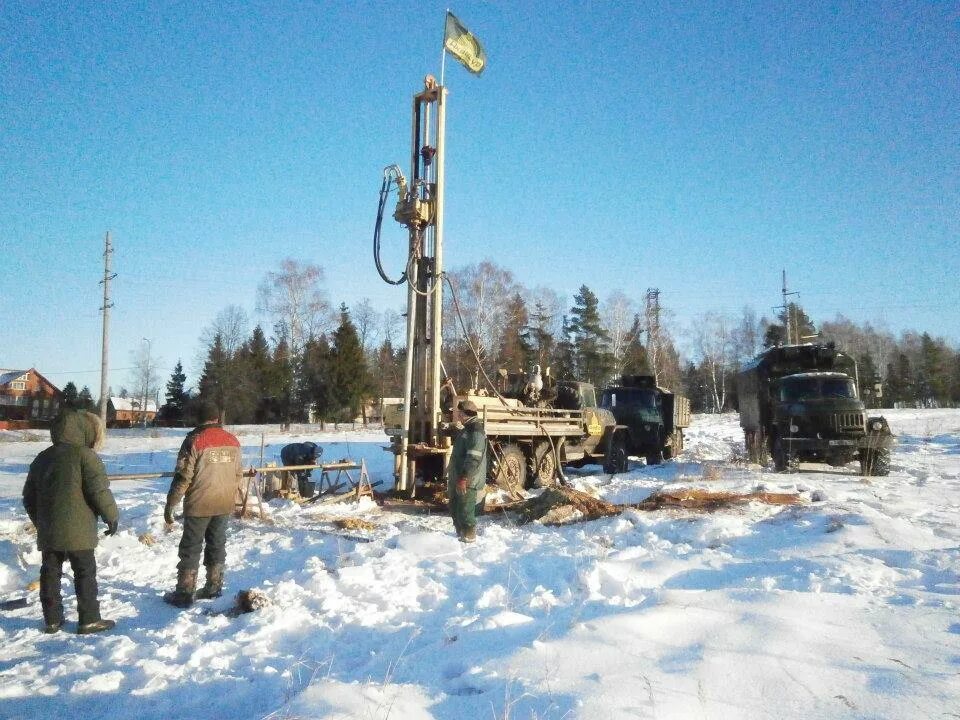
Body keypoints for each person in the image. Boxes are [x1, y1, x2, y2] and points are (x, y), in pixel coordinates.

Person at [23, 409, 119, 635]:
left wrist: (41, 521)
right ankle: (89, 619)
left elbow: (28, 497)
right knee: (84, 572)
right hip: (80, 531)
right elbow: (99, 491)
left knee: (50, 573)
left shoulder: (42, 458)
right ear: (85, 430)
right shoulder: (86, 456)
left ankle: (52, 620)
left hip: (49, 531)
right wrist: (111, 516)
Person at [163, 402, 243, 608]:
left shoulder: (194, 440)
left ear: (198, 419)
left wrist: (171, 503)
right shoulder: (232, 440)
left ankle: (185, 592)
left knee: (191, 547)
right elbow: (238, 473)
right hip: (224, 502)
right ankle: (214, 587)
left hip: (199, 503)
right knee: (217, 544)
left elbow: (183, 476)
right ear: (217, 419)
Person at [446, 399, 488, 543]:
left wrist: (464, 478)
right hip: (460, 475)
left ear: (466, 414)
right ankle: (460, 534)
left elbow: (473, 458)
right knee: (455, 506)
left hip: (469, 478)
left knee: (465, 509)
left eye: (459, 413)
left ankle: (469, 536)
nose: (457, 416)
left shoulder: (475, 431)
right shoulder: (467, 428)